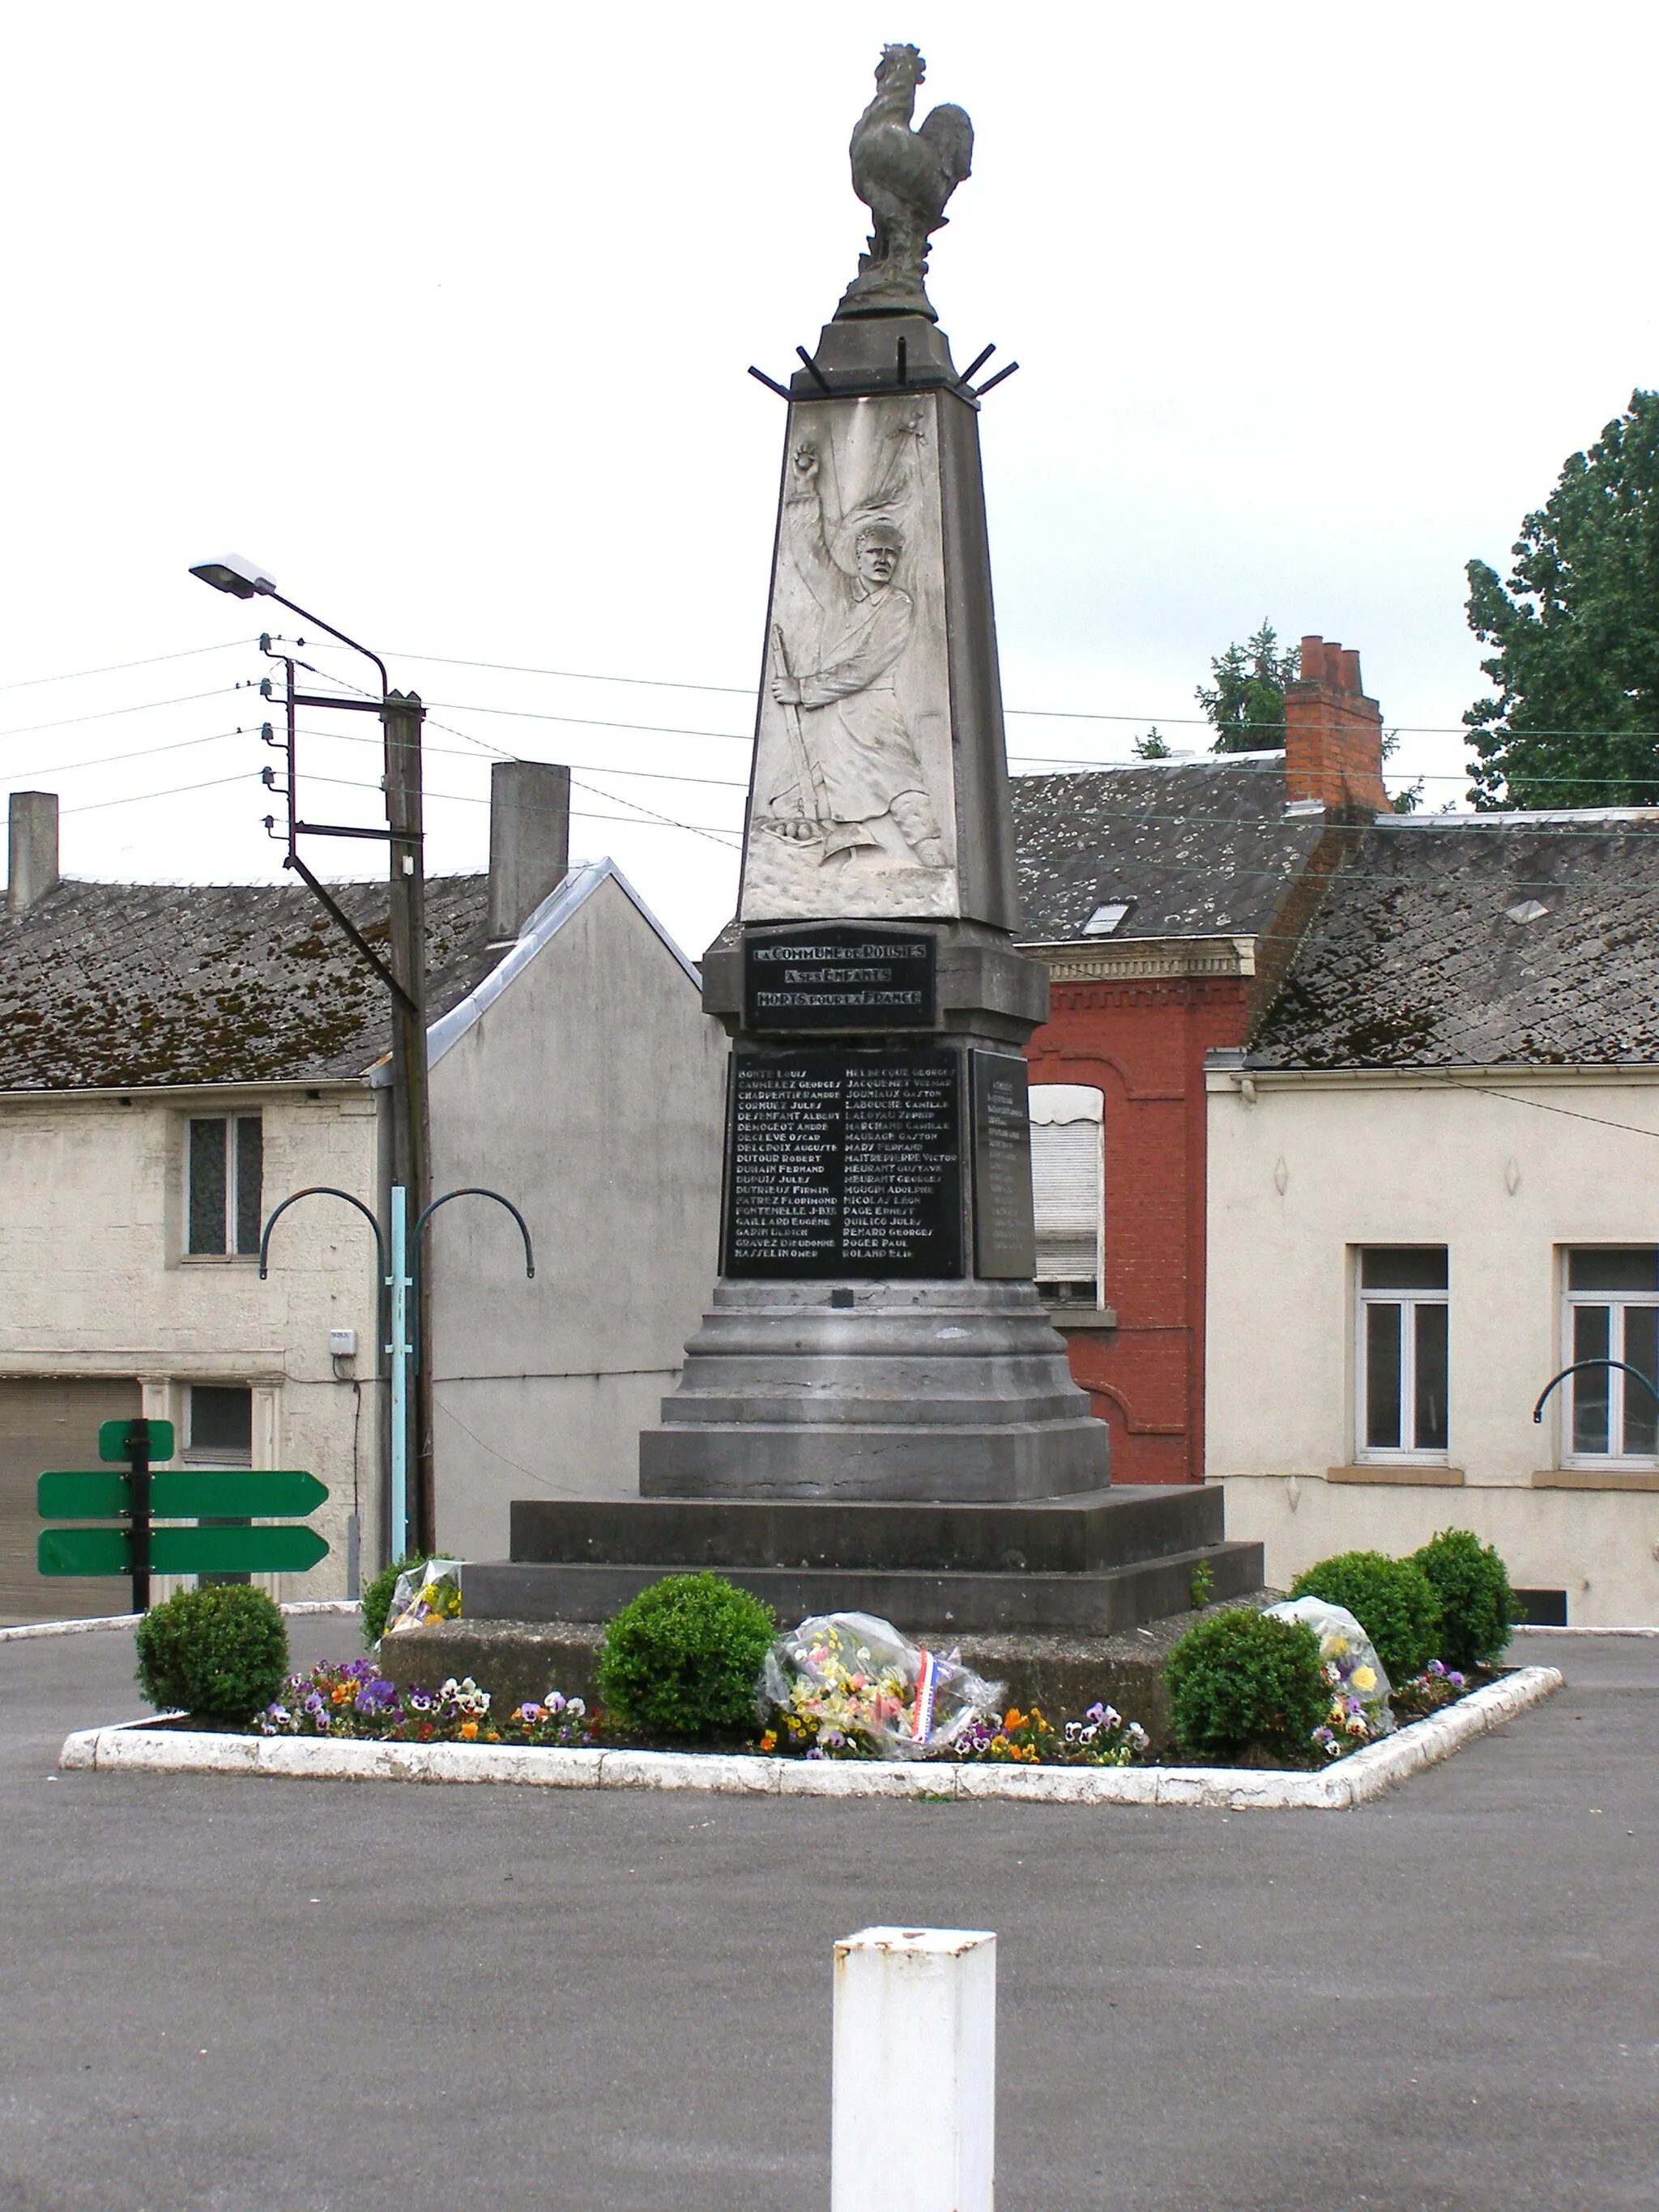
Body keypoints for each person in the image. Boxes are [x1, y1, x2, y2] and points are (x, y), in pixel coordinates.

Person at [766, 442, 948, 869]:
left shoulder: (898, 605)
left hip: (870, 714)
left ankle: (935, 864)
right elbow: (807, 549)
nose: (883, 561)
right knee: (801, 794)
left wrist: (803, 688)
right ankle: (828, 865)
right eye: (875, 553)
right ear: (859, 557)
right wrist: (805, 486)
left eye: (891, 554)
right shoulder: (838, 591)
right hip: (825, 720)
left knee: (901, 784)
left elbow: (865, 667)